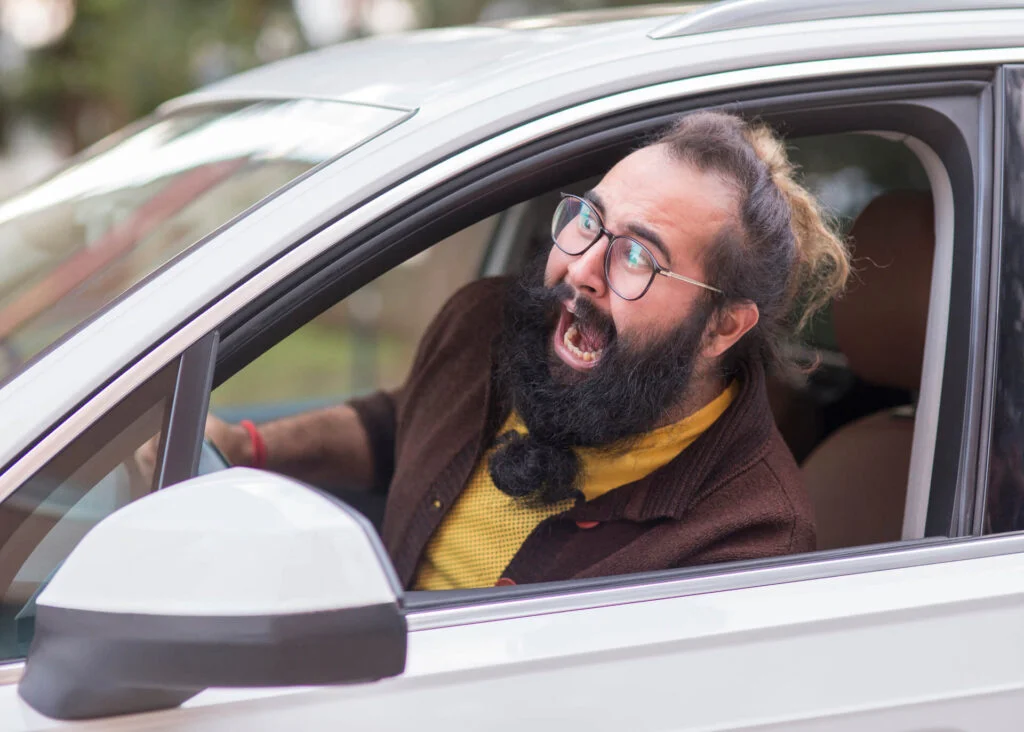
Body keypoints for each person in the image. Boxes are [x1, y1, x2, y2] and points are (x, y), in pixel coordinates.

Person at [204, 111, 851, 590]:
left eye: (637, 257)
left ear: (722, 328)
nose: (581, 269)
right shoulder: (485, 325)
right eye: (590, 221)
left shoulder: (749, 536)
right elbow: (410, 422)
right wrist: (249, 449)